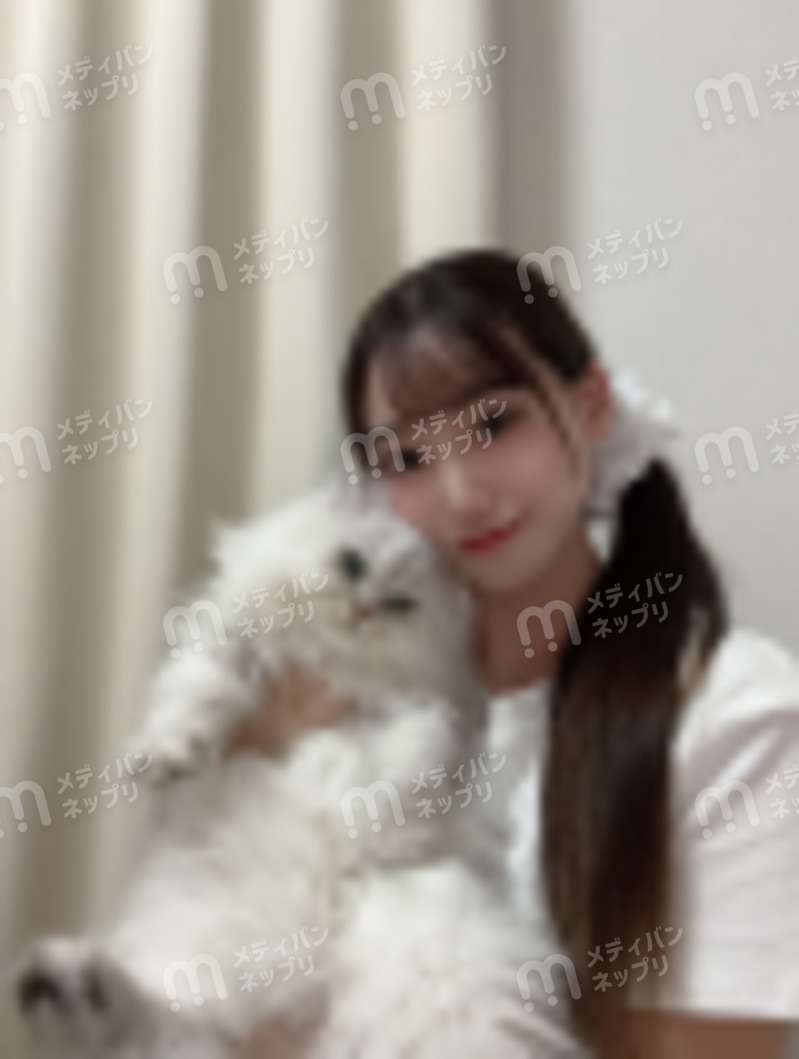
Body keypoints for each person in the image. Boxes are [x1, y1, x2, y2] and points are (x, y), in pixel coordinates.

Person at [229, 249, 799, 1059]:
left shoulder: (731, 710)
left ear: (590, 405)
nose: (462, 494)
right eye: (406, 458)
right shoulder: (343, 714)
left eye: (494, 424)